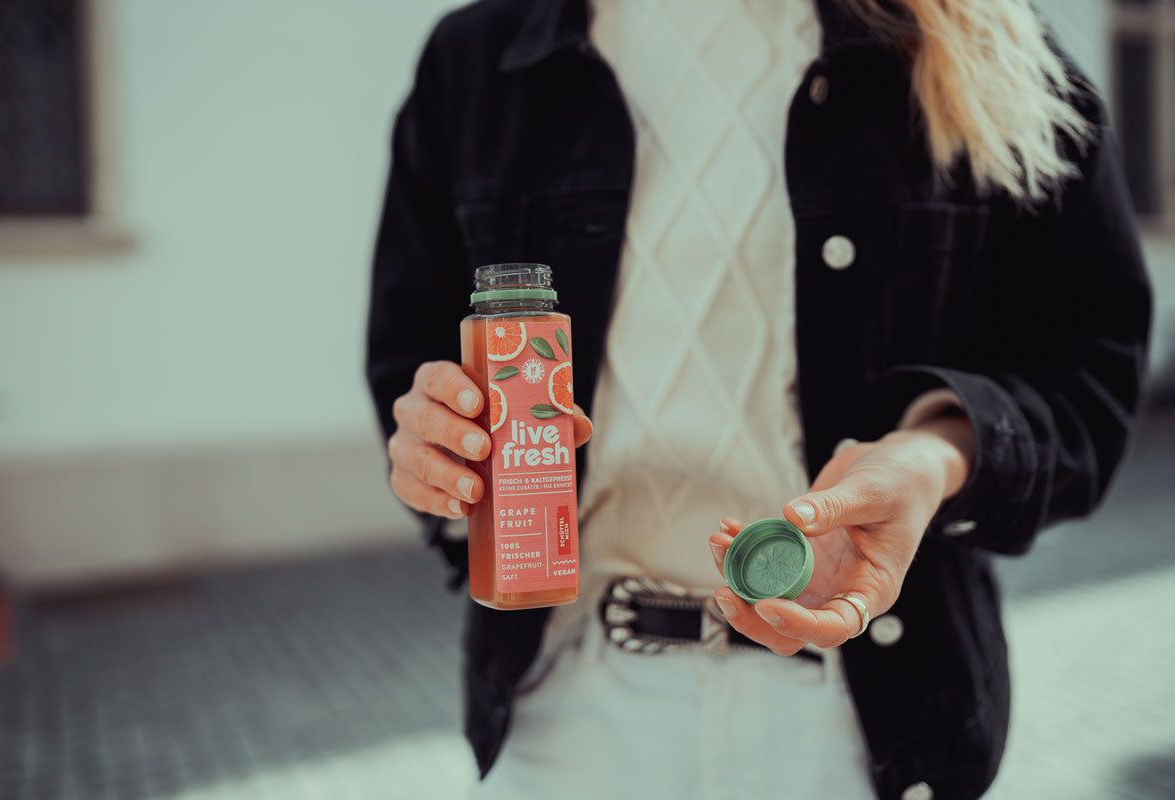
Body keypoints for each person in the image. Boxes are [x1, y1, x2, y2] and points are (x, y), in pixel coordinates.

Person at [366, 0, 1152, 797]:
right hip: (567, 711)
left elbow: (1092, 370)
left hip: (862, 718)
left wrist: (936, 450)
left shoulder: (980, 38)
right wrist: (440, 453)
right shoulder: (479, 57)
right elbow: (410, 352)